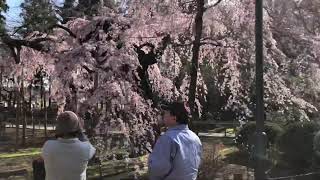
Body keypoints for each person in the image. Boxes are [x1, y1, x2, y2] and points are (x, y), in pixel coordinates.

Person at [148, 102, 202, 180]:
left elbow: (158, 169)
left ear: (174, 118)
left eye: (166, 113)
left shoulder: (168, 138)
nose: (163, 116)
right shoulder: (195, 138)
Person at [41, 111, 96, 180]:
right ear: (77, 127)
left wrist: (57, 133)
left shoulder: (48, 146)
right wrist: (80, 132)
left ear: (58, 126)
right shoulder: (87, 148)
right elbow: (91, 150)